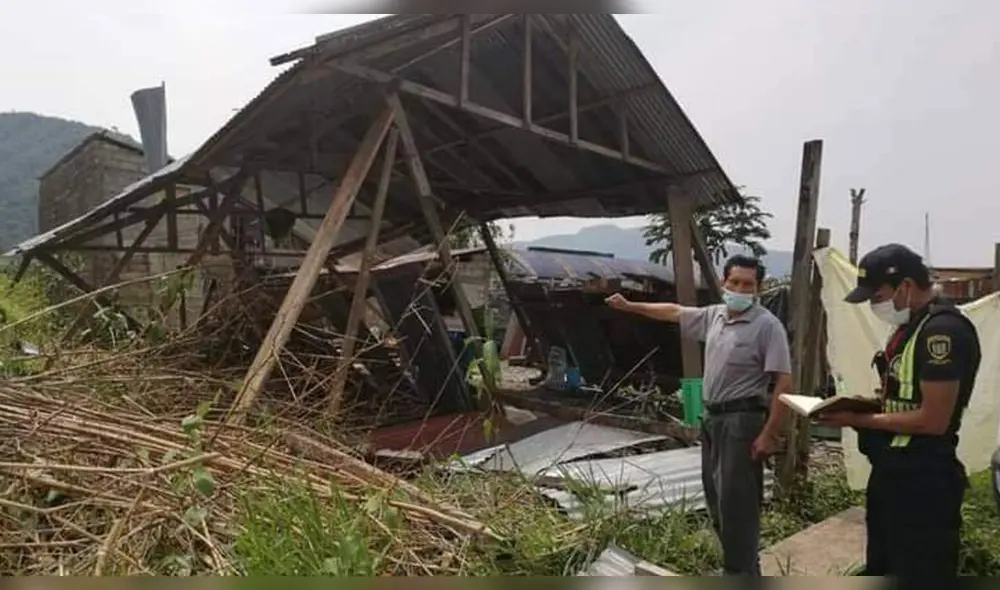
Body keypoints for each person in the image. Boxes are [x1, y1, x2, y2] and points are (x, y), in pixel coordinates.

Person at [606, 254, 792, 576]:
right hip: (713, 420)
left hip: (742, 421)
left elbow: (784, 382)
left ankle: (740, 573)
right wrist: (631, 306)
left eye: (748, 284)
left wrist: (770, 433)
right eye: (734, 282)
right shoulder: (716, 316)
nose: (740, 289)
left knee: (738, 506)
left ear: (758, 288)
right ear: (724, 283)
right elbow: (675, 312)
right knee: (717, 501)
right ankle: (745, 570)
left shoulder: (766, 326)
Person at [818, 243, 981, 578]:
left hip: (923, 482)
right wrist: (862, 405)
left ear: (905, 287)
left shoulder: (942, 333)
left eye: (877, 297)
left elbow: (933, 420)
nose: (876, 306)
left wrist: (859, 419)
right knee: (883, 567)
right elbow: (906, 398)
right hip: (894, 476)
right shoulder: (910, 328)